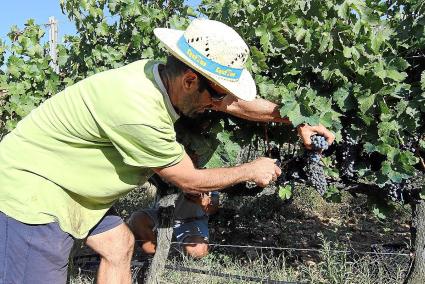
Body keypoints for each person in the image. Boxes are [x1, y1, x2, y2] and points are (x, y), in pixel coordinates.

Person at [0, 19, 335, 283]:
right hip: (36, 188)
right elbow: (188, 179)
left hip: (74, 185)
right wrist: (250, 170)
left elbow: (235, 104)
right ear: (190, 81)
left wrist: (295, 119)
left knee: (119, 246)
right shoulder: (140, 112)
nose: (219, 105)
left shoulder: (159, 76)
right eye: (216, 96)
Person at [128, 189, 219, 259]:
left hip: (192, 220)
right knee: (137, 219)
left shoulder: (206, 177)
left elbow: (213, 208)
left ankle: (171, 253)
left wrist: (204, 203)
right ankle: (155, 257)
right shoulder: (169, 168)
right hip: (163, 212)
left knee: (199, 249)